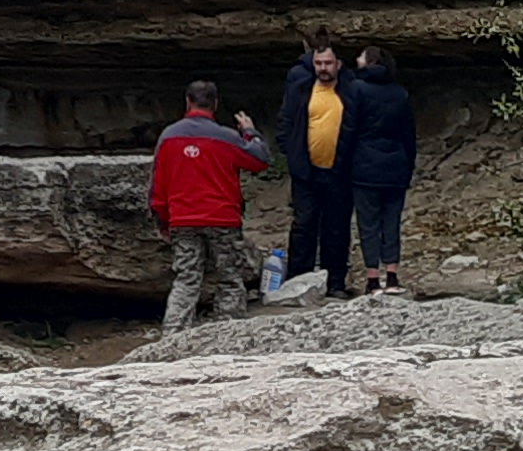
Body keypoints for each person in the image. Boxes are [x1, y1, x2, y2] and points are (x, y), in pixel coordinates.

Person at [151, 78, 274, 332]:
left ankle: (173, 335)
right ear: (215, 105)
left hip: (183, 220)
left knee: (186, 279)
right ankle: (228, 335)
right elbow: (261, 160)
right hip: (223, 220)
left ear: (188, 102)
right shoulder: (227, 138)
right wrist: (249, 131)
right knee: (229, 278)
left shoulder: (168, 137)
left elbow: (157, 188)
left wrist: (162, 222)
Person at [272, 39, 353, 295]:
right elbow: (286, 121)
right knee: (304, 224)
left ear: (338, 64)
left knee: (337, 228)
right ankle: (298, 280)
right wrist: (291, 153)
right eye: (318, 63)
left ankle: (335, 283)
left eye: (328, 63)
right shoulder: (301, 88)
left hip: (340, 172)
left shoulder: (351, 89)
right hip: (306, 171)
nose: (323, 68)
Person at [339, 45, 419, 294]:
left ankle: (373, 278)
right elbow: (409, 135)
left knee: (368, 223)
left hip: (365, 167)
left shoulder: (356, 89)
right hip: (396, 166)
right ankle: (392, 276)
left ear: (370, 61)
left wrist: (342, 162)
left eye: (361, 56)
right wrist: (408, 166)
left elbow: (349, 130)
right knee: (391, 221)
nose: (356, 59)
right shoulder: (400, 93)